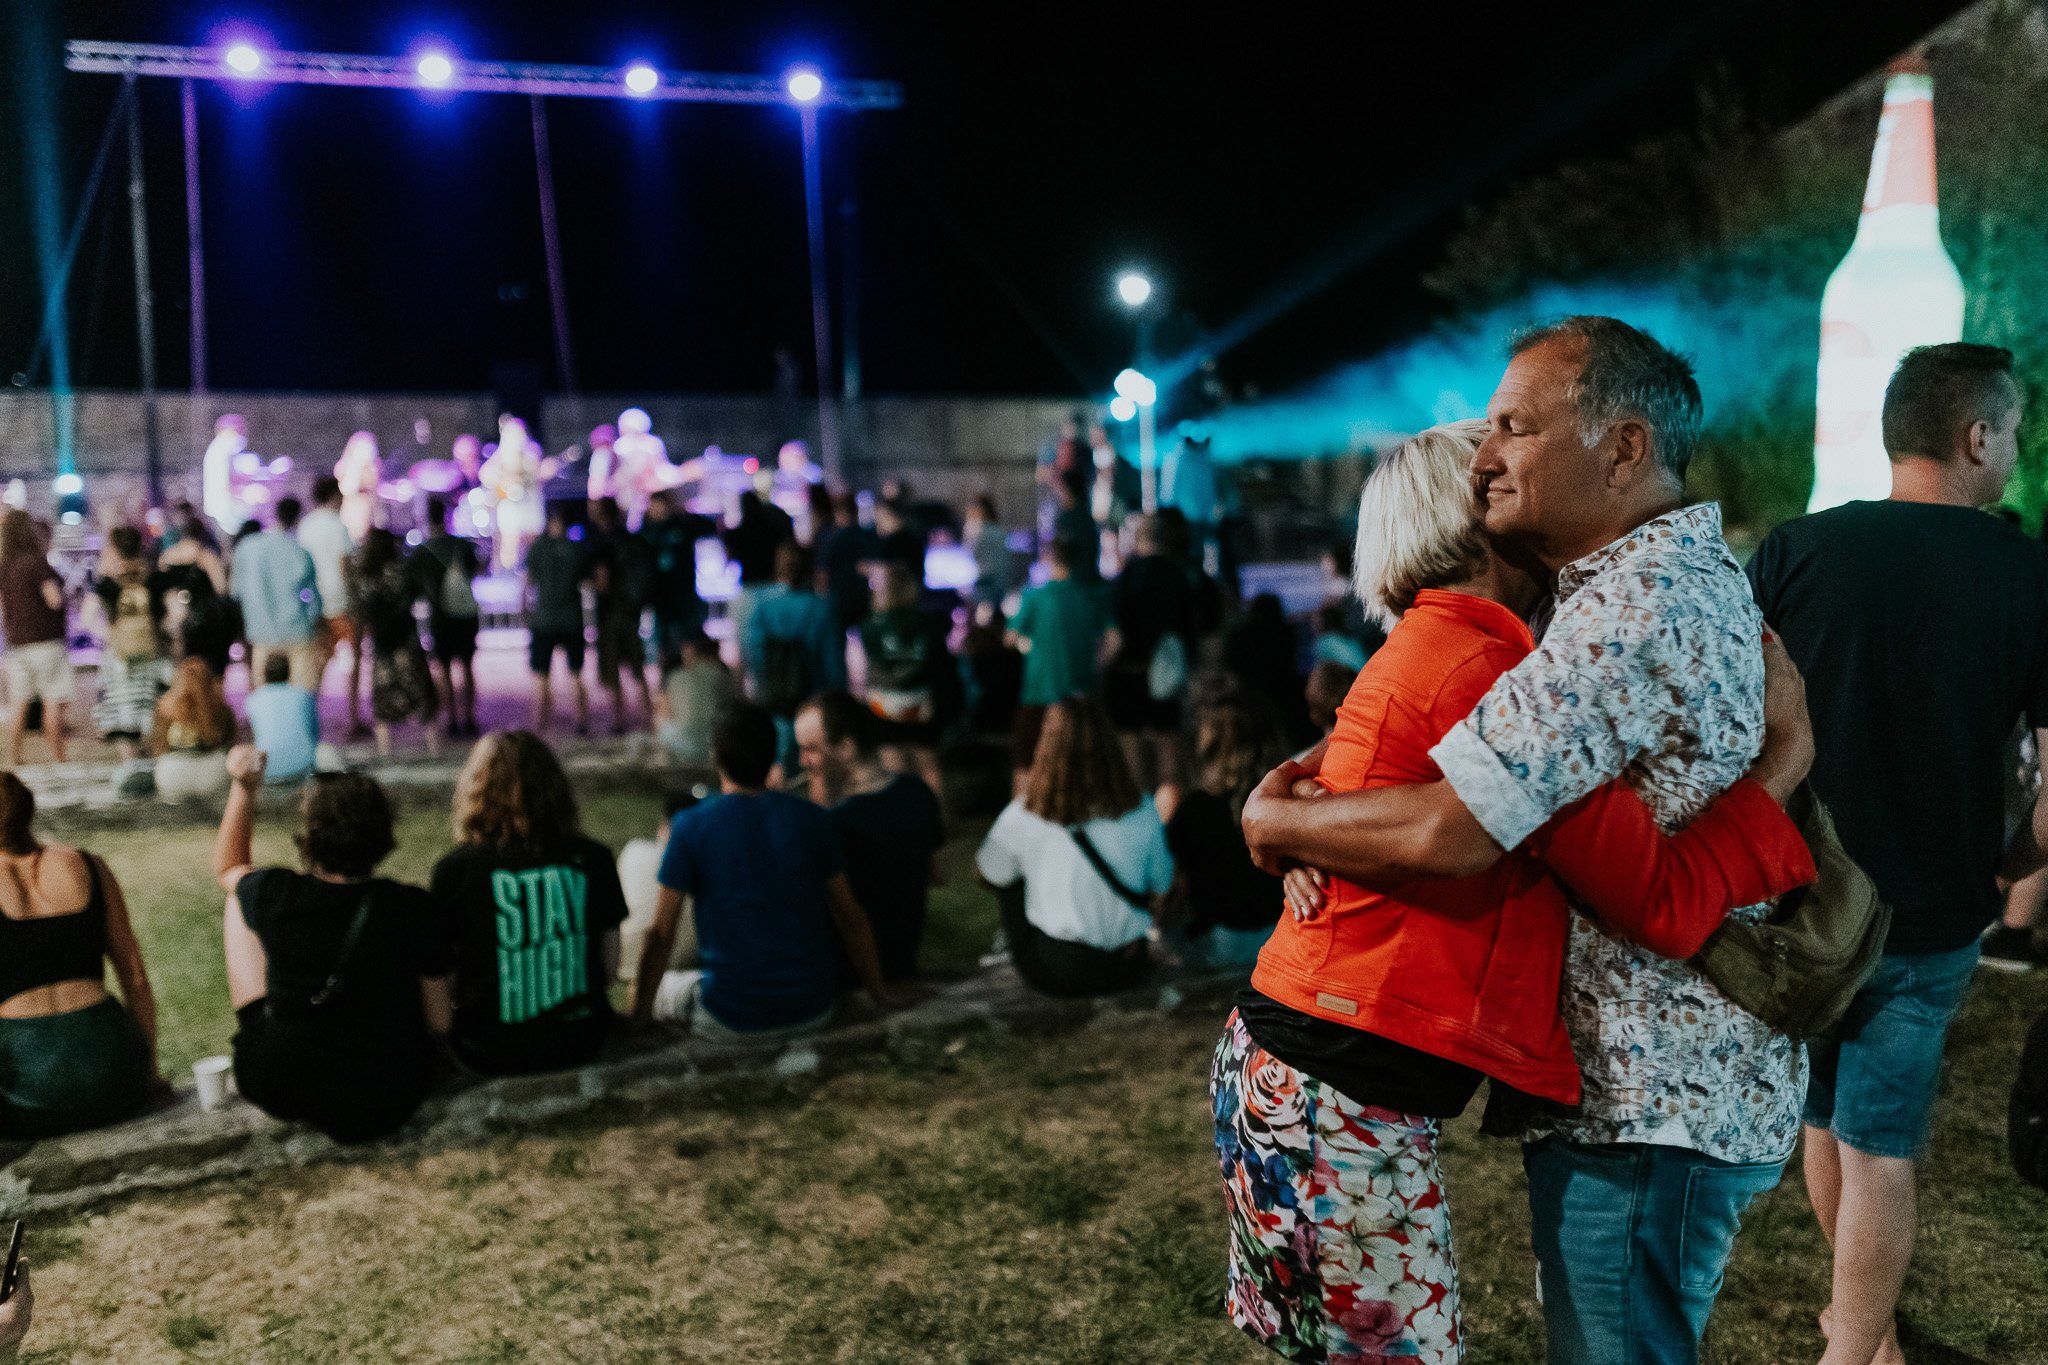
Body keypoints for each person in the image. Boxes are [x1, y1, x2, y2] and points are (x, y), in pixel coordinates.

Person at [1240, 318, 1808, 1364]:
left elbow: (1455, 829)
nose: (1485, 459)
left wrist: (1274, 822)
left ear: (1623, 448)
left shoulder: (1619, 618)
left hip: (1648, 1105)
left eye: (1514, 428)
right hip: (1662, 1098)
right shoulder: (1659, 584)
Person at [1748, 342, 2048, 1365]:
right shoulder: (2026, 570)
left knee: (1825, 1123)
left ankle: (1860, 1335)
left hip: (1802, 904)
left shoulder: (1794, 549)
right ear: (1975, 437)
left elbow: (1737, 720)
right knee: (1878, 1148)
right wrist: (2010, 863)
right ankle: (1854, 1356)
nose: (2008, 452)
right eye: (2008, 433)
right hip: (1926, 915)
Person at [215, 746, 453, 1143]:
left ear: (310, 834)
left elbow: (227, 867)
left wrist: (244, 789)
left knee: (238, 897)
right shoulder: (412, 907)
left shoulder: (277, 895)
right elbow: (441, 1021)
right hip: (389, 1086)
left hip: (284, 1078)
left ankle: (257, 1025)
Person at [631, 702, 897, 1036]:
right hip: (813, 1006)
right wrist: (878, 994)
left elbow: (660, 934)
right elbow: (850, 916)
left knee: (670, 988)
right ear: (773, 755)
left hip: (731, 1015)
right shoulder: (812, 820)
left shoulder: (690, 827)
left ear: (716, 757)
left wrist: (639, 1015)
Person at [430, 732, 628, 1075]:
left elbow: (444, 987)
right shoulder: (594, 858)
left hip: (490, 1050)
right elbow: (610, 968)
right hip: (580, 1039)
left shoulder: (455, 871)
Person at [0, 772, 160, 1138]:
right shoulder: (88, 864)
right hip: (111, 1068)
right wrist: (147, 1072)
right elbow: (134, 976)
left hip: (26, 1084)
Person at [975, 698, 1170, 997]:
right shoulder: (1142, 807)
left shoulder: (1026, 813)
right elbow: (1162, 881)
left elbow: (988, 871)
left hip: (1061, 969)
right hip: (1128, 961)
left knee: (1009, 873)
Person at [795, 692, 944, 981]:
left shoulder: (836, 824)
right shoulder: (918, 793)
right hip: (902, 959)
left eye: (811, 749)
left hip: (850, 970)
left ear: (847, 748)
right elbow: (937, 874)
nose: (803, 762)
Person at [1153, 692, 1289, 971]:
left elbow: (1168, 883)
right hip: (1279, 933)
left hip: (1220, 940)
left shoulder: (1195, 809)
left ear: (1209, 746)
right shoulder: (1285, 801)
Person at [1006, 536, 1116, 777]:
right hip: (1080, 691)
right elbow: (1115, 640)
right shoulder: (1089, 596)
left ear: (1047, 558)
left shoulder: (1034, 596)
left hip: (1039, 691)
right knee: (1081, 767)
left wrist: (1030, 646)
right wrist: (1095, 666)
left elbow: (1010, 637)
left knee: (1027, 763)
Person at [1105, 513, 1196, 789]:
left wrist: (1102, 670)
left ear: (1139, 538)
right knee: (1169, 750)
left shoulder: (1127, 577)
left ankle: (1143, 814)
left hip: (1127, 675)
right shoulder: (1184, 576)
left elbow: (1115, 638)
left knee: (1132, 754)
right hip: (1168, 677)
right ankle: (1168, 820)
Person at [744, 541, 845, 773]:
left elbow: (754, 652)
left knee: (778, 753)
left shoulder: (762, 607)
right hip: (812, 688)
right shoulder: (821, 608)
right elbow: (833, 660)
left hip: (775, 691)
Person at [855, 558, 951, 794]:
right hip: (921, 702)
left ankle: (904, 820)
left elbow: (858, 672)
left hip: (882, 704)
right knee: (928, 765)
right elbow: (940, 664)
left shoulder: (868, 626)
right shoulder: (928, 624)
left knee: (894, 768)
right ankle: (935, 818)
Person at [348, 528, 438, 759]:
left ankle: (385, 751)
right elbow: (418, 593)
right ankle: (434, 748)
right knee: (421, 693)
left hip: (382, 642)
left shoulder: (365, 576)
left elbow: (358, 607)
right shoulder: (402, 570)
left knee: (383, 695)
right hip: (406, 640)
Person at [90, 524, 172, 767]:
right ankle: (158, 761)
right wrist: (158, 629)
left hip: (120, 659)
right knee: (155, 707)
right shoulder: (155, 578)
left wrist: (112, 635)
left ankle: (132, 765)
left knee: (122, 713)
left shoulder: (108, 583)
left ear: (114, 549)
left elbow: (87, 617)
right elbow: (177, 613)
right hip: (154, 654)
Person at [0, 508, 74, 767]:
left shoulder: (5, 567)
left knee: (18, 703)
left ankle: (14, 758)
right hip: (46, 642)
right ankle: (58, 757)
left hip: (17, 643)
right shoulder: (37, 563)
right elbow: (53, 599)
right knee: (52, 701)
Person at [407, 495, 482, 738]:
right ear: (448, 516)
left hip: (440, 616)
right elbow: (474, 571)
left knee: (445, 668)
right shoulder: (462, 546)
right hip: (466, 615)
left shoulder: (421, 553)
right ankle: (470, 718)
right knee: (468, 666)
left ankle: (451, 719)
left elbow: (414, 589)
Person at [232, 497, 323, 692]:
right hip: (297, 630)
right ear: (297, 517)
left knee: (264, 694)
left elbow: (236, 592)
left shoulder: (247, 548)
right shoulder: (299, 551)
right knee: (302, 694)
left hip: (261, 632)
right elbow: (313, 598)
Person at [297, 477, 362, 737]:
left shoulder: (306, 525)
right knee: (353, 660)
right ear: (334, 495)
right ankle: (354, 718)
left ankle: (311, 718)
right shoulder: (338, 526)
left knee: (319, 663)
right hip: (340, 602)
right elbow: (344, 565)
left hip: (315, 602)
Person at [587, 497, 656, 734]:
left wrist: (593, 587)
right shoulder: (632, 539)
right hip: (631, 611)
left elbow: (602, 581)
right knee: (637, 668)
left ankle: (618, 720)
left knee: (612, 667)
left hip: (610, 613)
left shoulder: (602, 543)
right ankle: (649, 717)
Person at [617, 790, 701, 983]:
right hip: (677, 968)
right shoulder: (700, 863)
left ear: (663, 827)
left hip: (626, 962)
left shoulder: (634, 849)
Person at [525, 505, 591, 735]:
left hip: (544, 620)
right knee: (575, 673)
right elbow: (590, 583)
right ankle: (581, 722)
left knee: (541, 675)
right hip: (571, 619)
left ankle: (540, 724)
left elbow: (527, 583)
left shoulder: (538, 549)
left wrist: (525, 611)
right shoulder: (576, 550)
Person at [642, 490, 716, 671]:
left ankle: (689, 678)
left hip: (685, 595)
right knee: (663, 645)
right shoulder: (647, 533)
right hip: (661, 599)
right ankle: (667, 683)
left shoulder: (682, 525)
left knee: (689, 641)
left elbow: (709, 526)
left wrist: (684, 513)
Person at [723, 489, 796, 662]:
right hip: (773, 588)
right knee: (776, 643)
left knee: (747, 646)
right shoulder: (773, 530)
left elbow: (728, 559)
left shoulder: (735, 533)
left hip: (748, 590)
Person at [151, 657, 236, 800]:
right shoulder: (220, 707)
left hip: (172, 778)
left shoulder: (164, 708)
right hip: (213, 776)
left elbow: (160, 747)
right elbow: (229, 741)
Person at [655, 630, 736, 769]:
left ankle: (664, 764)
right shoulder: (724, 675)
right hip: (715, 746)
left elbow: (663, 714)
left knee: (661, 717)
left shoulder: (675, 676)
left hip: (683, 746)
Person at [245, 652, 321, 784]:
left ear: (264, 673)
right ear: (289, 671)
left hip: (267, 770)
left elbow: (255, 735)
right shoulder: (304, 696)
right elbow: (315, 734)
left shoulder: (253, 700)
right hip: (303, 769)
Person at [816, 491, 880, 632]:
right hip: (862, 599)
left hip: (837, 599)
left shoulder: (829, 537)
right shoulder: (867, 536)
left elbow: (822, 571)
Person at [963, 494, 1012, 608]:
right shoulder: (998, 531)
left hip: (985, 594)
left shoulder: (981, 532)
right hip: (1000, 592)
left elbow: (980, 568)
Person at [333, 430, 383, 543]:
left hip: (367, 509)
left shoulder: (373, 469)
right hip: (351, 509)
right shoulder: (344, 467)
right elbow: (346, 488)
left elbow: (373, 483)